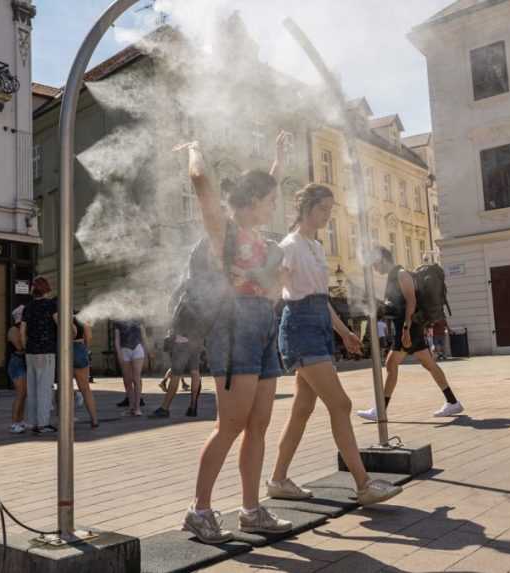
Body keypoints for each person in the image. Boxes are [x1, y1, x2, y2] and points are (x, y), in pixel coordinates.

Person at [178, 133, 294, 544]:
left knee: (258, 424)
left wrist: (278, 156)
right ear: (250, 201)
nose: (274, 204)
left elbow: (271, 182)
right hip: (234, 326)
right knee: (230, 424)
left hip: (263, 324)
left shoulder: (260, 238)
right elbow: (202, 185)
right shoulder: (223, 232)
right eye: (269, 200)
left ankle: (250, 510)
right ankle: (199, 510)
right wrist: (196, 149)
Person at [267, 184, 403, 506]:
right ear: (307, 208)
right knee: (340, 405)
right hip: (300, 327)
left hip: (317, 325)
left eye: (330, 210)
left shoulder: (314, 246)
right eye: (324, 210)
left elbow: (321, 299)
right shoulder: (290, 246)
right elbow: (278, 290)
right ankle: (363, 483)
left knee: (302, 409)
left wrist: (343, 332)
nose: (328, 216)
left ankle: (278, 479)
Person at [357, 247, 463, 421]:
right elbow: (396, 304)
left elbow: (411, 302)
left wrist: (406, 330)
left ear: (383, 259)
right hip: (409, 327)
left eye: (375, 264)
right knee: (428, 364)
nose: (375, 268)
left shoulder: (401, 274)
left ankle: (380, 410)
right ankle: (452, 402)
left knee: (392, 365)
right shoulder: (393, 277)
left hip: (409, 327)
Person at [21, 277, 60, 435]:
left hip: (30, 352)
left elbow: (23, 332)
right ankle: (43, 424)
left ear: (33, 290)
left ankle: (31, 422)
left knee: (32, 389)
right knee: (44, 389)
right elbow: (60, 324)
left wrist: (26, 347)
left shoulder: (27, 308)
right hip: (46, 352)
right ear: (47, 289)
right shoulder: (51, 305)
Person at [151, 332, 203, 418]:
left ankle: (165, 408)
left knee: (176, 374)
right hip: (195, 342)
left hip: (181, 343)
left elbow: (176, 323)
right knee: (195, 372)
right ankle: (193, 407)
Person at [114, 320, 147, 417]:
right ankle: (131, 407)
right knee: (127, 381)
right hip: (124, 350)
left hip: (137, 349)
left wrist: (146, 353)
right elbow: (117, 339)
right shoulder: (118, 320)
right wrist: (119, 353)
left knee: (136, 379)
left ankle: (137, 408)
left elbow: (144, 336)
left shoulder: (138, 317)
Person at [72, 312, 98, 428]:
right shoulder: (80, 316)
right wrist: (85, 349)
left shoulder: (58, 316)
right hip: (79, 348)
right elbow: (89, 336)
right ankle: (94, 419)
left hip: (64, 349)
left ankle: (68, 418)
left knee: (64, 388)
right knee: (85, 389)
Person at [7, 306, 28, 434]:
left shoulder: (22, 329)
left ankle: (20, 421)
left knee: (24, 394)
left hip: (22, 362)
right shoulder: (13, 330)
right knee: (20, 394)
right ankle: (14, 423)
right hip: (16, 363)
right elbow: (20, 346)